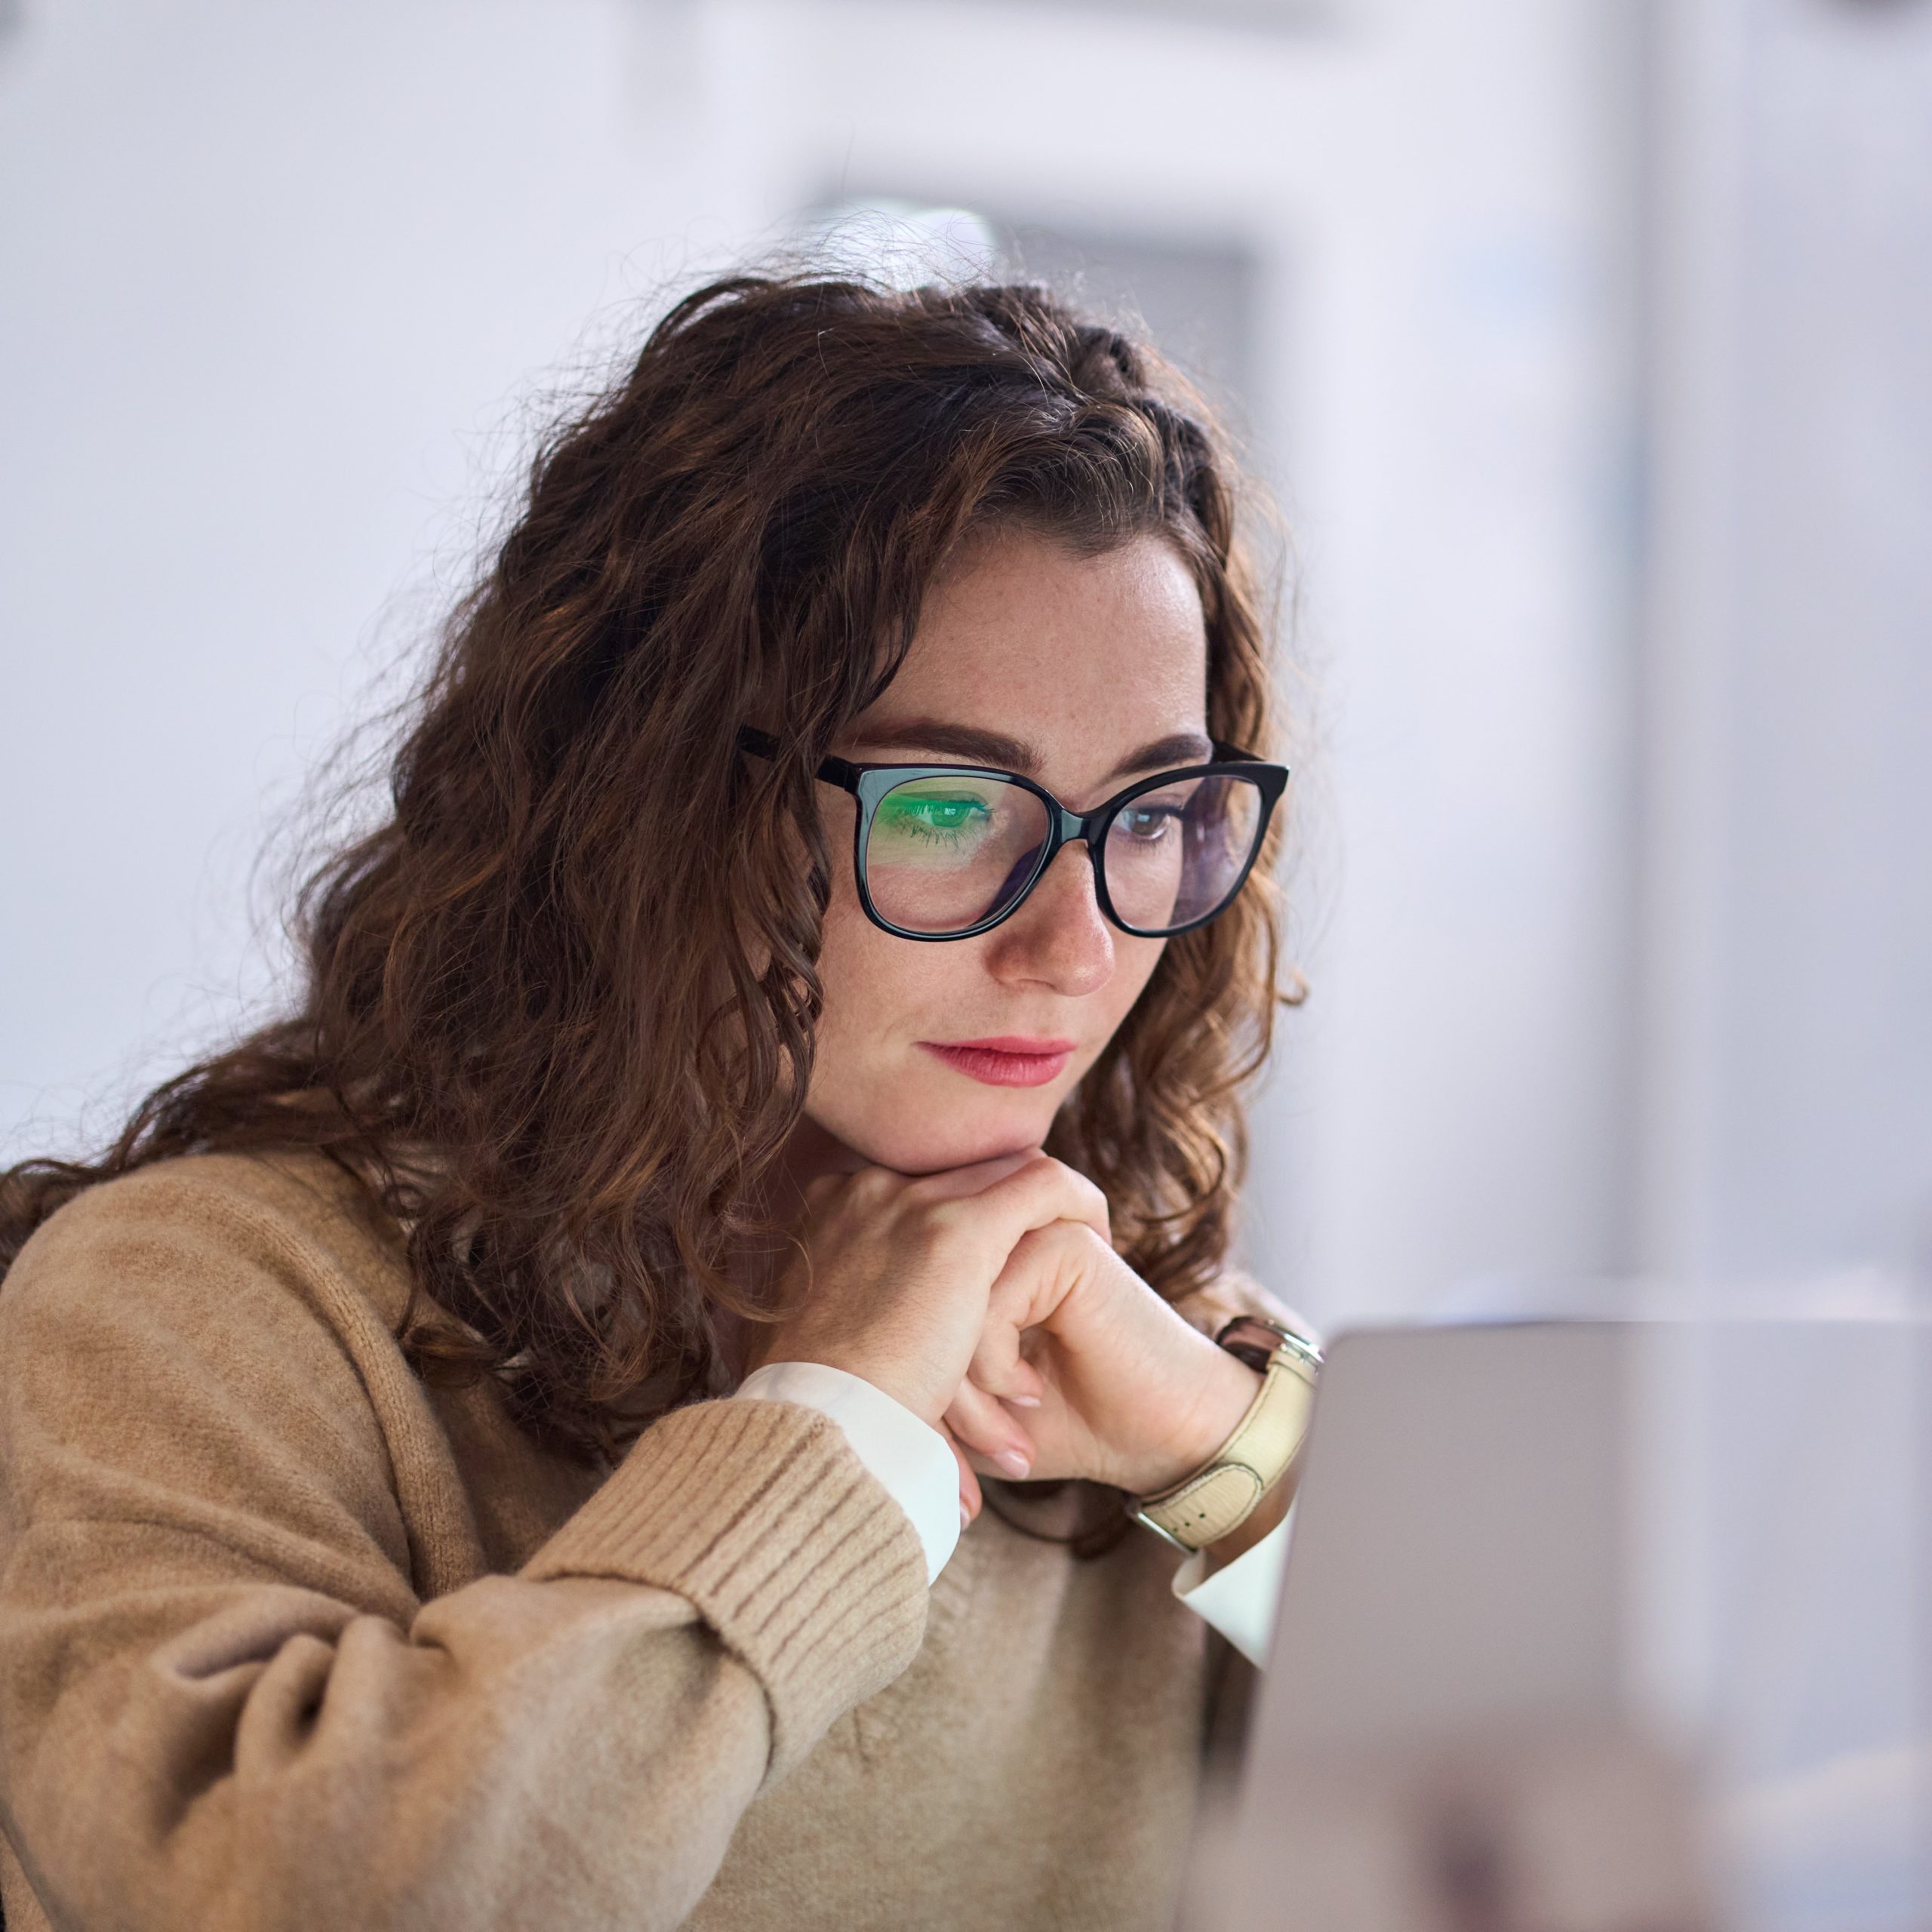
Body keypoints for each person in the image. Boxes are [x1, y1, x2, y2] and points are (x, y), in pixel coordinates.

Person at [0, 270, 1313, 1932]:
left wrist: (1237, 1458)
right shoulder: (201, 1308)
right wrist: (832, 1427)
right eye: (939, 807)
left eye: (1148, 815)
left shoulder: (1143, 1348)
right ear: (652, 803)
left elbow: (1589, 1806)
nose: (1072, 946)